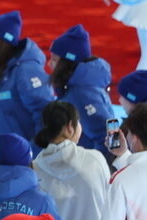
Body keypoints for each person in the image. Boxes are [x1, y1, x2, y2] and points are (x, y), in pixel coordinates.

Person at [0, 11, 54, 172]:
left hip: (24, 170)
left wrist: (31, 160)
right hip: (1, 168)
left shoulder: (26, 71)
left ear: (5, 41)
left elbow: (46, 120)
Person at [48, 25, 114, 160]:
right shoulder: (77, 87)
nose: (49, 64)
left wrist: (99, 169)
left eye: (54, 60)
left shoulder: (82, 93)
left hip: (86, 170)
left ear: (66, 63)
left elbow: (109, 134)